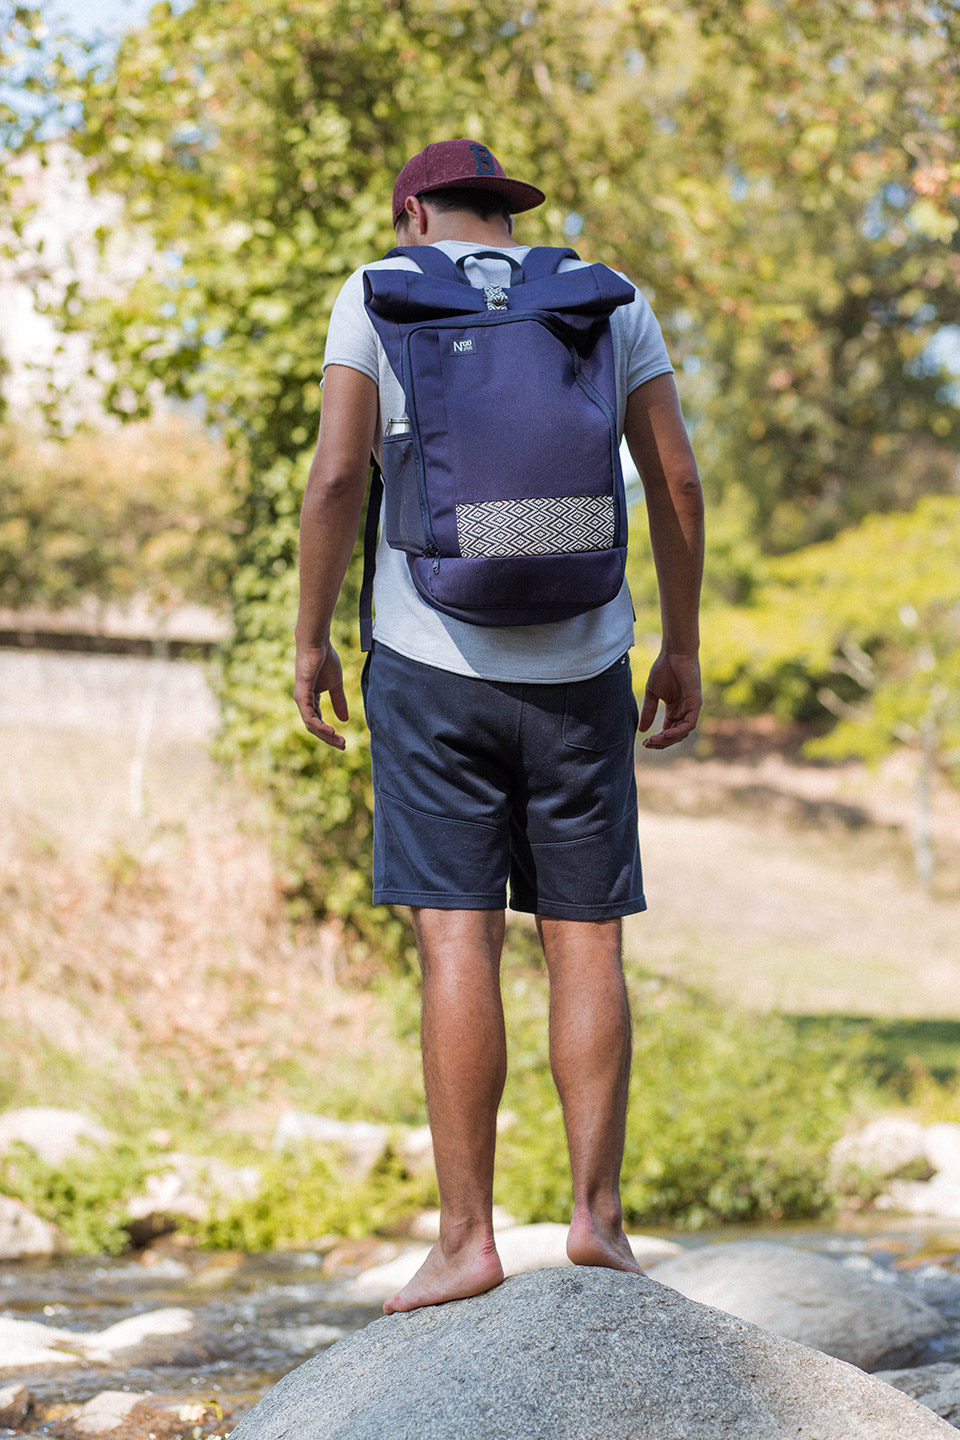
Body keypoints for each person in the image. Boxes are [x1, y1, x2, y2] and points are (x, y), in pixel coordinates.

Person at [294, 140, 704, 1315]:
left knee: (457, 941)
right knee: (586, 940)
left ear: (410, 207)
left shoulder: (378, 289)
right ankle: (599, 1225)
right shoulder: (605, 297)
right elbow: (675, 481)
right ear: (508, 216)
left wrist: (313, 637)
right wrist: (677, 643)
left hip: (432, 666)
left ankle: (466, 1240)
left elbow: (334, 481)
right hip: (584, 666)